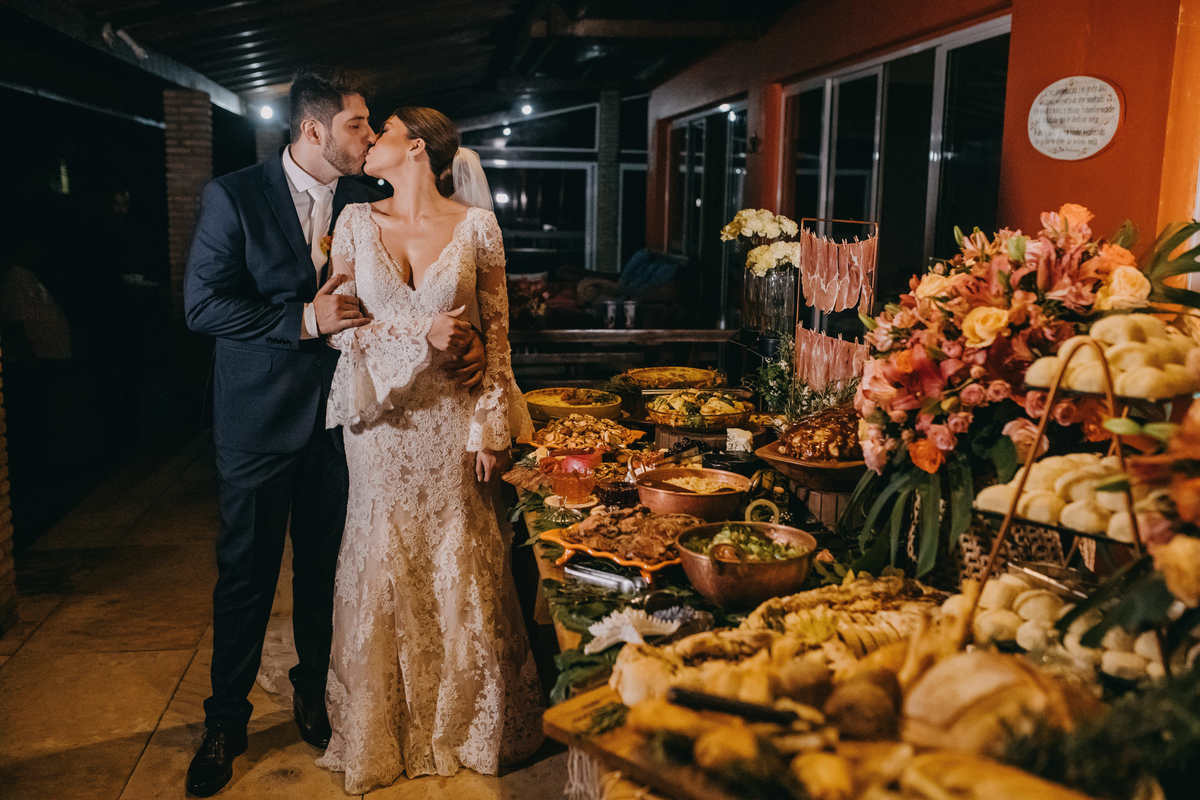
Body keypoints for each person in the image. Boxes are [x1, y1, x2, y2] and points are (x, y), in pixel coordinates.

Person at [182, 69, 486, 797]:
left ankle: (314, 693)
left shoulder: (364, 198)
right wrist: (303, 321)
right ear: (315, 131)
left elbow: (395, 298)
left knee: (324, 568)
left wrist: (459, 340)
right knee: (248, 575)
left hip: (347, 421)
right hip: (258, 420)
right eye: (359, 124)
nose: (370, 134)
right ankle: (226, 719)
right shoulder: (233, 196)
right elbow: (202, 306)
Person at [314, 106, 544, 793]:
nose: (369, 142)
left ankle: (468, 727)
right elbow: (338, 333)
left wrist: (493, 428)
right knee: (383, 556)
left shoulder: (477, 228)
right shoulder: (354, 225)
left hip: (453, 423)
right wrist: (421, 337)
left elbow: (498, 341)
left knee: (461, 560)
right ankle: (387, 732)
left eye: (379, 132)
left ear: (415, 148)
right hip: (380, 427)